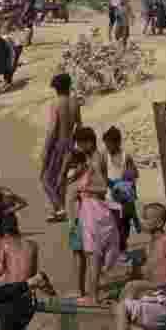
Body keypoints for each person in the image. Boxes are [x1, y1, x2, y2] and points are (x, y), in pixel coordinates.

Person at [99, 203, 166, 330]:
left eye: (146, 218)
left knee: (123, 309)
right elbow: (145, 278)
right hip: (151, 302)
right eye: (142, 217)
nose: (142, 221)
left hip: (163, 304)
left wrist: (142, 285)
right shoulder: (150, 246)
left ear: (159, 223)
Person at [65, 128, 118, 306]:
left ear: (88, 142)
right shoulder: (91, 159)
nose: (78, 147)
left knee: (91, 255)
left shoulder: (95, 160)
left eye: (80, 143)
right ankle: (85, 291)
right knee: (86, 254)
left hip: (92, 213)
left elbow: (102, 188)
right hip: (89, 212)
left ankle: (91, 294)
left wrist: (83, 190)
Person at [41, 73, 81, 223]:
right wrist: (74, 144)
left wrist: (46, 148)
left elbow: (52, 129)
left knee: (45, 178)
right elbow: (79, 125)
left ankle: (60, 208)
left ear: (55, 88)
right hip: (70, 142)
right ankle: (57, 210)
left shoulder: (56, 104)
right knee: (61, 177)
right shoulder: (75, 103)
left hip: (58, 143)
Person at [102, 126, 140, 250]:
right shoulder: (104, 156)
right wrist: (111, 184)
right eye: (106, 144)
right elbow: (101, 174)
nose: (108, 147)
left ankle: (122, 246)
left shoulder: (125, 156)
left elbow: (134, 173)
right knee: (115, 225)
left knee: (125, 225)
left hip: (125, 198)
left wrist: (128, 181)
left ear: (117, 142)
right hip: (110, 198)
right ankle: (119, 249)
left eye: (110, 144)